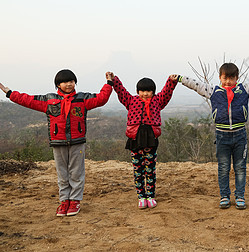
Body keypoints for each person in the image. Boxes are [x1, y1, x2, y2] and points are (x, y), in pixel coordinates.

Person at [0, 69, 113, 217]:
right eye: (65, 82)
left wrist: (109, 83)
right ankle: (64, 201)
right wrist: (9, 93)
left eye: (72, 81)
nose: (69, 84)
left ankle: (75, 201)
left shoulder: (82, 99)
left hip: (77, 142)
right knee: (62, 173)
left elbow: (101, 98)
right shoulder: (49, 100)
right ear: (58, 84)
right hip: (58, 141)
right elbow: (27, 100)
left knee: (76, 172)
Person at [178, 63, 249, 210]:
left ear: (237, 78)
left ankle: (240, 196)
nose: (228, 81)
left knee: (240, 168)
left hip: (240, 135)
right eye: (225, 78)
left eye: (231, 78)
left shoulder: (244, 90)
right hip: (222, 136)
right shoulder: (213, 91)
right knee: (223, 168)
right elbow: (196, 85)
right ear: (220, 77)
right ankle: (224, 197)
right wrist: (181, 78)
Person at [108, 72, 178, 209]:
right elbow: (121, 91)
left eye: (149, 91)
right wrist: (114, 80)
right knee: (138, 169)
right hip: (135, 138)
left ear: (153, 92)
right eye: (142, 91)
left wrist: (171, 81)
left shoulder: (158, 101)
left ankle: (151, 196)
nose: (145, 94)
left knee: (150, 169)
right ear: (137, 91)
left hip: (151, 139)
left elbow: (166, 93)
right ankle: (141, 197)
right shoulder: (131, 101)